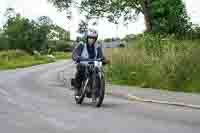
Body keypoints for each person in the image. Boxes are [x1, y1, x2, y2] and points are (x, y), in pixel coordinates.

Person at [71, 29, 107, 99]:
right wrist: (76, 57)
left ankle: (97, 91)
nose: (92, 40)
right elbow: (75, 54)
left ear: (96, 39)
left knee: (98, 71)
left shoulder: (97, 47)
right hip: (83, 64)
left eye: (93, 38)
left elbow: (101, 56)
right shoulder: (81, 45)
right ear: (87, 38)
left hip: (94, 65)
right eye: (90, 38)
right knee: (80, 69)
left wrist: (104, 60)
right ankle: (77, 89)